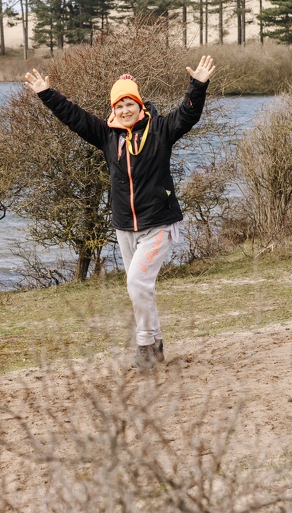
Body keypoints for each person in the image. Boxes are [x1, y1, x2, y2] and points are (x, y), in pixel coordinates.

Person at [24, 55, 216, 369]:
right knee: (141, 288)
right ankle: (156, 345)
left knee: (136, 284)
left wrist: (198, 86)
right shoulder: (107, 136)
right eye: (119, 106)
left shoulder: (161, 130)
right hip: (125, 227)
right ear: (113, 110)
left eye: (130, 104)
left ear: (140, 106)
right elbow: (74, 117)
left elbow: (188, 115)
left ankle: (143, 346)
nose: (125, 110)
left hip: (159, 224)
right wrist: (47, 93)